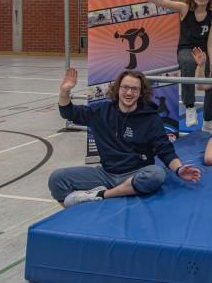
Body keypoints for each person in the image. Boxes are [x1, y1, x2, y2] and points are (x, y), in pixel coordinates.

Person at [48, 68, 201, 207]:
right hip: (105, 174)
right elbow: (68, 113)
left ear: (141, 93)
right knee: (57, 179)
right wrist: (64, 91)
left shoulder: (150, 118)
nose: (129, 93)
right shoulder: (101, 111)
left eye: (135, 89)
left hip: (135, 174)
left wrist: (179, 169)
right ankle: (75, 214)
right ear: (118, 89)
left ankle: (101, 195)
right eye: (125, 87)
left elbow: (165, 150)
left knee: (156, 174)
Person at [124, 0, 212, 132]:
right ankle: (189, 107)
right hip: (186, 48)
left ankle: (209, 119)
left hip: (204, 49)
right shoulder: (184, 9)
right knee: (187, 63)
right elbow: (161, 1)